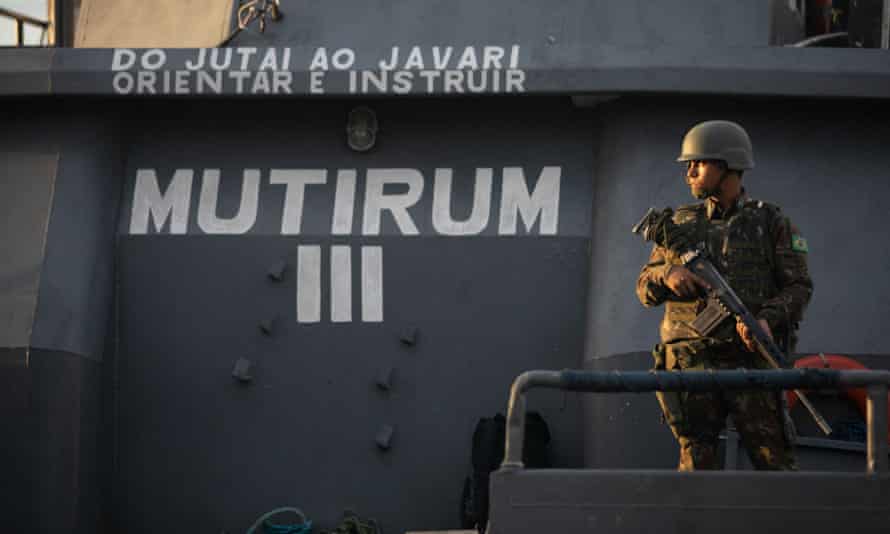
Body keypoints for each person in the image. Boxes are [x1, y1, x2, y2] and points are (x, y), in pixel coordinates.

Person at [636, 120, 813, 471]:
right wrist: (668, 274)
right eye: (689, 164)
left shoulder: (771, 222)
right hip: (693, 365)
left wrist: (766, 319)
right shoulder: (678, 226)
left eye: (699, 163)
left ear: (728, 165)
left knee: (775, 464)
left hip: (750, 364)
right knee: (695, 466)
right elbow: (644, 287)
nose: (690, 172)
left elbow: (799, 287)